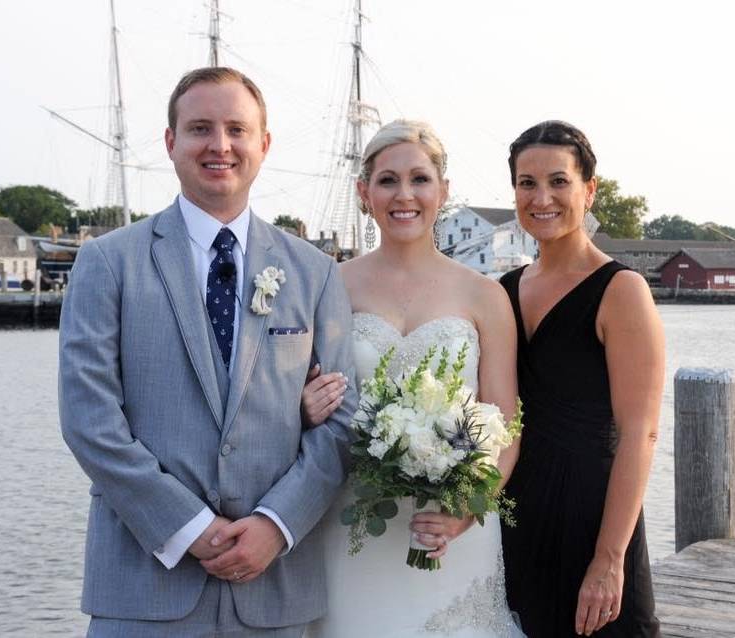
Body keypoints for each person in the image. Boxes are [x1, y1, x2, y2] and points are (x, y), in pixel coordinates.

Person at [59, 67, 357, 637]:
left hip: (276, 588)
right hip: (143, 587)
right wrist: (188, 525)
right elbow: (89, 420)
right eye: (199, 128)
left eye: (236, 130)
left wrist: (276, 523)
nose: (219, 145)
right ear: (170, 142)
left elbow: (341, 421)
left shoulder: (315, 273)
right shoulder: (108, 263)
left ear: (262, 145)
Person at [300, 119, 524, 637]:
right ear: (364, 193)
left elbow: (506, 425)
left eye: (420, 179)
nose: (405, 195)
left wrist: (466, 511)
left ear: (443, 191)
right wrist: (305, 408)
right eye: (387, 180)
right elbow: (301, 395)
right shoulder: (329, 286)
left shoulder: (484, 296)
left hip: (451, 529)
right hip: (354, 519)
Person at [498, 121, 664, 637]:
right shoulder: (502, 290)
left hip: (592, 519)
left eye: (558, 181)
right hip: (516, 521)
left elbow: (640, 433)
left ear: (589, 190)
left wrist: (609, 560)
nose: (541, 197)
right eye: (527, 183)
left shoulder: (621, 290)